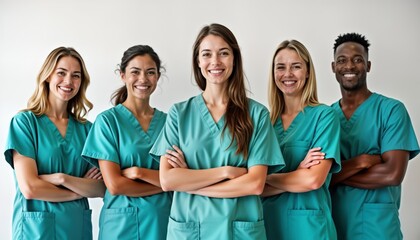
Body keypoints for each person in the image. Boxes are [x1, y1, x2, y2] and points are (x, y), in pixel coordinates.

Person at [149, 23, 285, 240]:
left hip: (238, 230)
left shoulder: (256, 114)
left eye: (224, 53)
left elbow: (255, 184)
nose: (215, 61)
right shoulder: (179, 114)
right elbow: (167, 180)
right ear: (198, 61)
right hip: (191, 230)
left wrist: (191, 183)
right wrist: (226, 172)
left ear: (234, 59)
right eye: (207, 54)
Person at [4, 47, 105, 240]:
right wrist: (78, 191)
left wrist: (60, 178)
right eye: (61, 73)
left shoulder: (88, 130)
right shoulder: (25, 123)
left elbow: (101, 188)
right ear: (48, 76)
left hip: (76, 228)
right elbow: (30, 187)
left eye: (76, 75)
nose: (68, 81)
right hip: (36, 230)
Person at [329, 32, 420, 240]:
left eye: (357, 60)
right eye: (342, 60)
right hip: (334, 227)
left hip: (378, 229)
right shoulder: (325, 116)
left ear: (368, 66)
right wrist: (361, 162)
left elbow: (392, 174)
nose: (349, 66)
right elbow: (319, 178)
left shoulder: (391, 110)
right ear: (333, 67)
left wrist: (335, 175)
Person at [81, 45, 172, 240]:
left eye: (150, 72)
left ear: (157, 76)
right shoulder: (108, 122)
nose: (143, 79)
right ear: (122, 75)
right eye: (135, 72)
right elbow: (115, 185)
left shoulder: (169, 123)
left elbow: (180, 176)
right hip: (121, 227)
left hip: (162, 223)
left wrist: (139, 173)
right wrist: (165, 184)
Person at [261, 39, 341, 240]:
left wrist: (264, 179)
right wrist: (297, 173)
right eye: (281, 67)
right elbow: (252, 189)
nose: (287, 74)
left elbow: (313, 179)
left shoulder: (324, 116)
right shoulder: (264, 123)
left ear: (307, 72)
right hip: (269, 225)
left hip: (310, 228)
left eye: (296, 66)